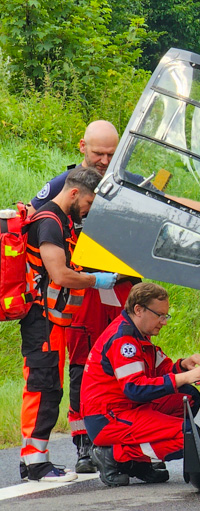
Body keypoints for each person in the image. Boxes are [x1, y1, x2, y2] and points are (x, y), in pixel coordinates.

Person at [28, 120, 136, 474]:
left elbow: (164, 201)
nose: (105, 161)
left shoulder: (126, 179)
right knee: (81, 363)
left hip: (119, 285)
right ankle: (84, 444)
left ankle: (125, 436)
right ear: (82, 148)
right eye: (98, 153)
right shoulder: (64, 189)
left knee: (127, 354)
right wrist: (94, 279)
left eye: (111, 153)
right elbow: (34, 217)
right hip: (83, 288)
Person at [20, 166, 118, 482]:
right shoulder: (49, 223)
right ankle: (35, 464)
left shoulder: (63, 221)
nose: (88, 211)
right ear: (74, 193)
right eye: (89, 203)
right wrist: (96, 280)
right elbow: (60, 275)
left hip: (53, 322)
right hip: (41, 322)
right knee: (42, 387)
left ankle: (36, 461)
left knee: (50, 387)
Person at [81, 282, 200, 487]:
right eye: (159, 315)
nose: (164, 322)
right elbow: (135, 389)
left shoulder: (138, 333)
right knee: (188, 436)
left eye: (166, 316)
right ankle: (115, 455)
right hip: (108, 417)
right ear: (138, 310)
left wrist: (183, 366)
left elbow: (162, 370)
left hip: (126, 408)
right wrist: (184, 377)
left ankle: (138, 460)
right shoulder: (123, 340)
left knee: (188, 397)